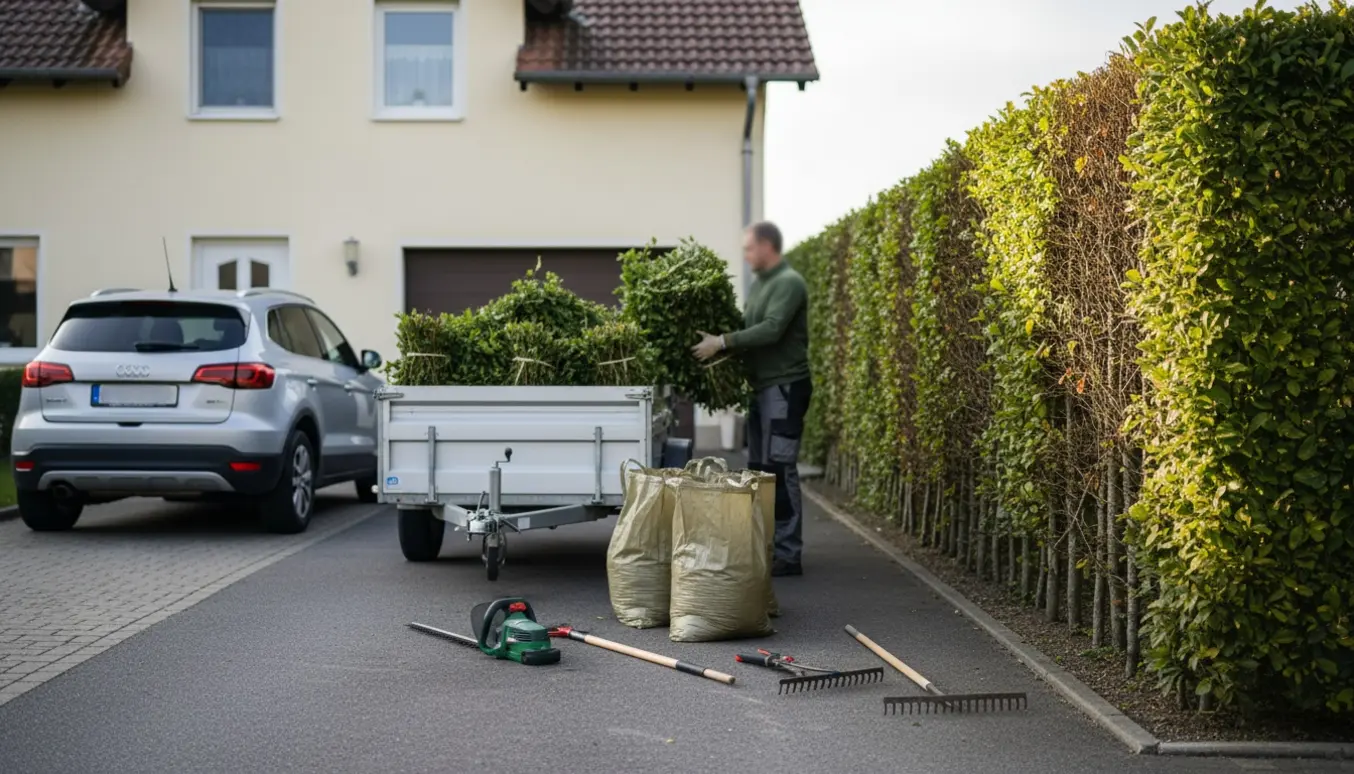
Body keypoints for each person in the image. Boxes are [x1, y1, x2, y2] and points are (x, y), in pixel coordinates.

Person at [692, 221, 812, 577]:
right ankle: (768, 547)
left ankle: (789, 555)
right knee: (760, 470)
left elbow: (772, 329)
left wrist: (724, 341)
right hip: (763, 389)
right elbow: (751, 327)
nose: (745, 256)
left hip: (785, 388)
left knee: (780, 467)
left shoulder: (789, 283)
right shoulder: (762, 284)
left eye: (748, 248)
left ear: (767, 246)